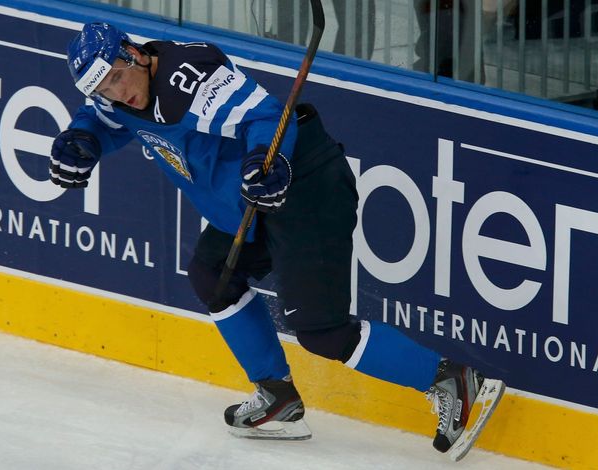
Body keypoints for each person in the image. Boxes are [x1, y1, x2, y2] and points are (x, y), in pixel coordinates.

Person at [50, 22, 504, 457]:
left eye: (116, 77)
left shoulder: (188, 78)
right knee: (213, 276)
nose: (116, 91)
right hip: (251, 205)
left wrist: (264, 164)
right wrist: (80, 141)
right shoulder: (116, 98)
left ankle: (450, 380)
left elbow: (269, 118)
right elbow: (100, 118)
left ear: (133, 54)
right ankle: (277, 397)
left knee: (321, 331)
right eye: (103, 87)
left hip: (304, 186)